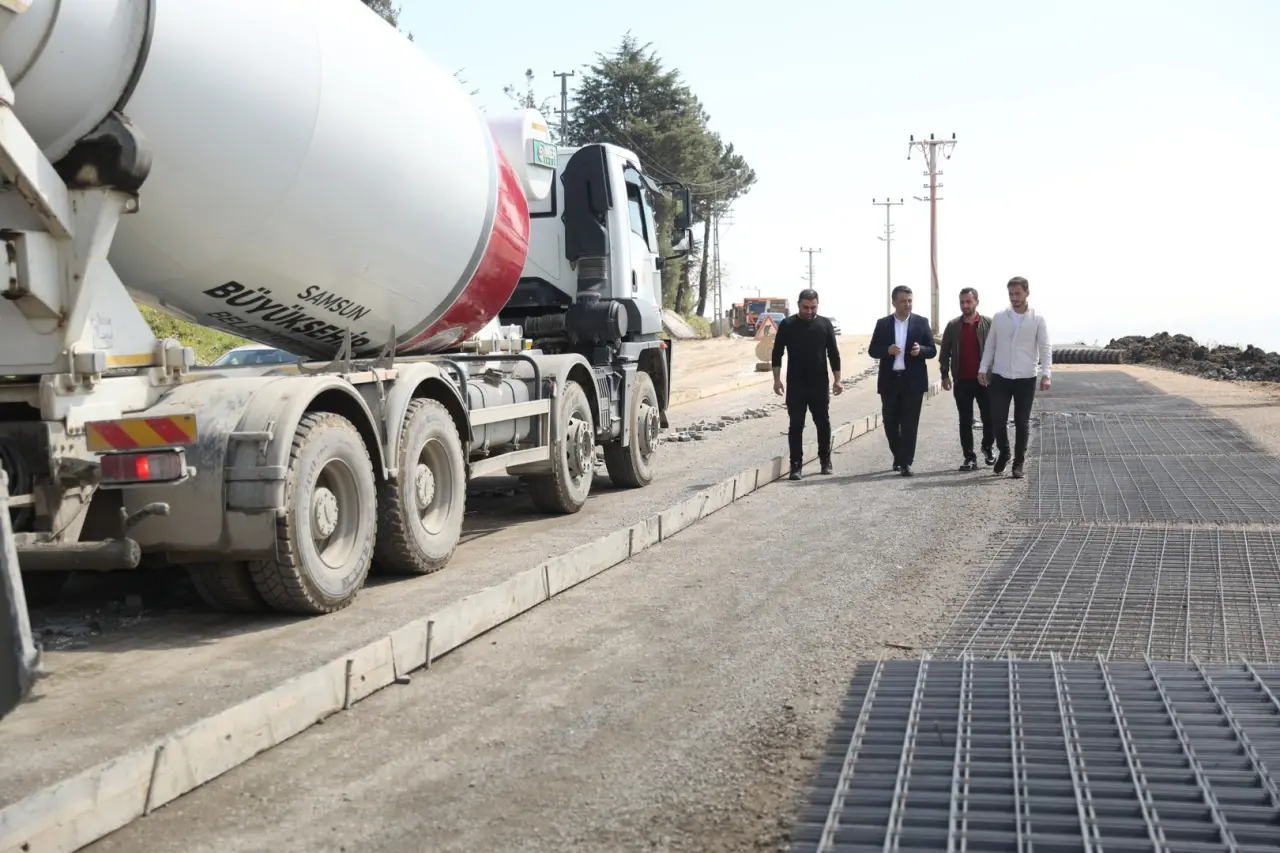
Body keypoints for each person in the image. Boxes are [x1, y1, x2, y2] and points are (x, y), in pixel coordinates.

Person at [978, 276, 1051, 479]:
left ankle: (1018, 463)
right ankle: (1005, 452)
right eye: (1011, 294)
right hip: (1001, 376)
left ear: (1027, 293)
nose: (1014, 298)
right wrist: (983, 368)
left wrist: (1047, 374)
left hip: (1026, 377)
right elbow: (990, 345)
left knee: (1021, 421)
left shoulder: (1037, 318)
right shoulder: (1000, 317)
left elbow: (1045, 347)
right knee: (998, 419)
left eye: (1018, 293)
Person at [772, 288, 842, 481]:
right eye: (806, 307)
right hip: (796, 384)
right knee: (796, 424)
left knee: (823, 423)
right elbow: (777, 353)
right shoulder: (787, 325)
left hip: (819, 383)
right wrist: (776, 380)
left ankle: (825, 460)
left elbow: (833, 354)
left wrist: (837, 379)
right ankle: (796, 465)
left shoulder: (825, 324)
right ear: (798, 305)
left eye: (813, 307)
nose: (810, 311)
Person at [867, 285, 936, 477]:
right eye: (903, 301)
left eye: (910, 300)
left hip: (912, 381)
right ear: (894, 303)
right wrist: (886, 350)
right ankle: (898, 455)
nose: (907, 304)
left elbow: (932, 350)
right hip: (890, 381)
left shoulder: (921, 322)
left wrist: (920, 350)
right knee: (890, 423)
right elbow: (873, 350)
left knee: (909, 424)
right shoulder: (883, 324)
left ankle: (906, 462)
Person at [938, 287, 995, 471]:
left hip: (985, 381)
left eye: (969, 301)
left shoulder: (989, 324)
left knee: (990, 417)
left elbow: (998, 349)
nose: (965, 305)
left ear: (977, 302)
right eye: (962, 302)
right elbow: (944, 352)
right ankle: (969, 457)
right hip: (962, 381)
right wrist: (944, 375)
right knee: (965, 420)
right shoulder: (953, 326)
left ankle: (988, 447)